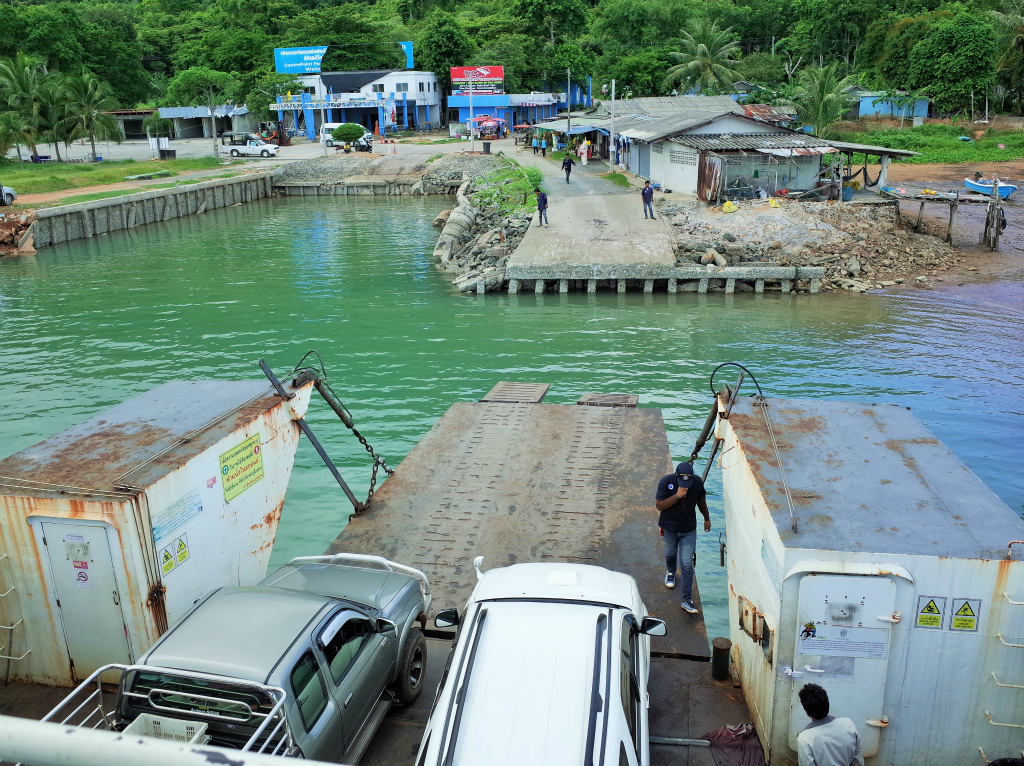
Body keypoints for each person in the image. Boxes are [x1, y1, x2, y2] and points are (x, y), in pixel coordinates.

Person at [655, 461, 710, 613]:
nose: (685, 484)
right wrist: (677, 496)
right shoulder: (666, 482)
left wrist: (706, 518)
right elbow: (659, 505)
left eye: (688, 481)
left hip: (688, 529)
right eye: (682, 481)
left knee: (686, 563)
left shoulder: (697, 483)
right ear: (676, 476)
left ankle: (687, 600)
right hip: (670, 527)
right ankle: (671, 572)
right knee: (670, 552)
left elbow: (701, 501)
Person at [796, 684, 864, 766]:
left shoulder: (805, 738)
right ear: (827, 703)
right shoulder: (848, 724)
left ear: (806, 712)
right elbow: (858, 760)